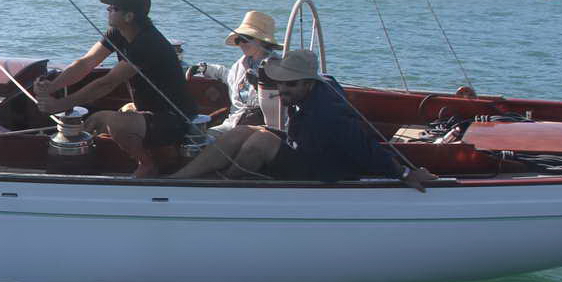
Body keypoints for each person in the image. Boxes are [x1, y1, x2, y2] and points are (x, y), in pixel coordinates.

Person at [173, 49, 438, 190]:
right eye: (280, 82)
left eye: (290, 84)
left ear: (308, 83)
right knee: (243, 132)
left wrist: (405, 173)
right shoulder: (312, 90)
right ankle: (181, 178)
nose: (282, 89)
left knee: (260, 142)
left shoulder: (327, 113)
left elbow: (362, 145)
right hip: (303, 148)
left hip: (322, 170)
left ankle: (219, 185)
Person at [34, 0, 196, 177]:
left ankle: (147, 164)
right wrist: (51, 86)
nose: (108, 10)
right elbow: (86, 63)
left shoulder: (147, 43)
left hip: (175, 119)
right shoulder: (118, 33)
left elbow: (108, 83)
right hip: (148, 111)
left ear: (129, 16)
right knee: (94, 120)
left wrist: (60, 104)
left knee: (112, 122)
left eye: (113, 8)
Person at [190, 10, 282, 133]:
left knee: (209, 138)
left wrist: (258, 86)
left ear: (262, 41)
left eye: (246, 39)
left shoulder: (275, 66)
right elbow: (230, 77)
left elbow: (277, 105)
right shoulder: (242, 63)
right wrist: (205, 68)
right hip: (235, 122)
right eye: (238, 40)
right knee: (200, 135)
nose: (241, 44)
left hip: (262, 126)